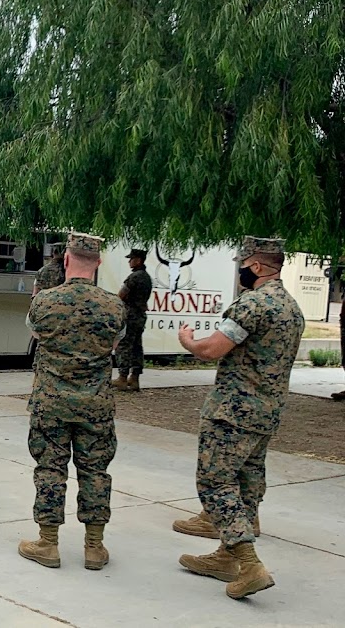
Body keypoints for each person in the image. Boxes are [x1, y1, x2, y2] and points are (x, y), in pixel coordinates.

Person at [176, 236, 304, 600]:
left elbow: (212, 349)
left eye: (243, 266)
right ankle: (225, 558)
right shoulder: (292, 308)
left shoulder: (253, 304)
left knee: (215, 482)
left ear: (258, 266)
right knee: (247, 484)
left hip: (233, 412)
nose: (240, 272)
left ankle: (249, 565)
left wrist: (188, 340)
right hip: (267, 412)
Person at [20, 233, 126, 570]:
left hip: (51, 402)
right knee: (95, 471)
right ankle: (94, 547)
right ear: (98, 263)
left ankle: (48, 544)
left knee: (50, 469)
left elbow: (37, 335)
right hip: (95, 404)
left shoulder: (44, 302)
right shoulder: (114, 306)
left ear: (66, 260)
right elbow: (113, 344)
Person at [114, 248, 153, 390]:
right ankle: (135, 378)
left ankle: (122, 377)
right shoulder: (147, 278)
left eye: (131, 259)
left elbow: (121, 295)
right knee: (137, 346)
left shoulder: (133, 277)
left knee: (124, 345)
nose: (129, 261)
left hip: (129, 315)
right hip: (140, 315)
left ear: (138, 260)